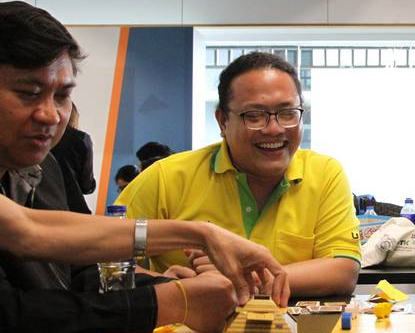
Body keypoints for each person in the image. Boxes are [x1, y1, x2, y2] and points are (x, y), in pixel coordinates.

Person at [0, 0, 287, 333]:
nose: (51, 115)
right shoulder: (163, 175)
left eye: (62, 96)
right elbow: (13, 317)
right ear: (222, 121)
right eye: (28, 94)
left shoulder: (47, 168)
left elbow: (81, 268)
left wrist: (161, 282)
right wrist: (168, 301)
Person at [118, 51, 362, 297]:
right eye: (254, 116)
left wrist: (238, 276)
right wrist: (163, 283)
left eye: (287, 113)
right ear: (222, 122)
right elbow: (104, 259)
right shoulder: (166, 178)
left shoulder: (325, 173)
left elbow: (342, 270)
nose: (274, 129)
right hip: (186, 321)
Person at [50, 104, 95, 214]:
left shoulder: (38, 136)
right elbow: (87, 186)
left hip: (37, 207)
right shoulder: (81, 138)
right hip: (72, 207)